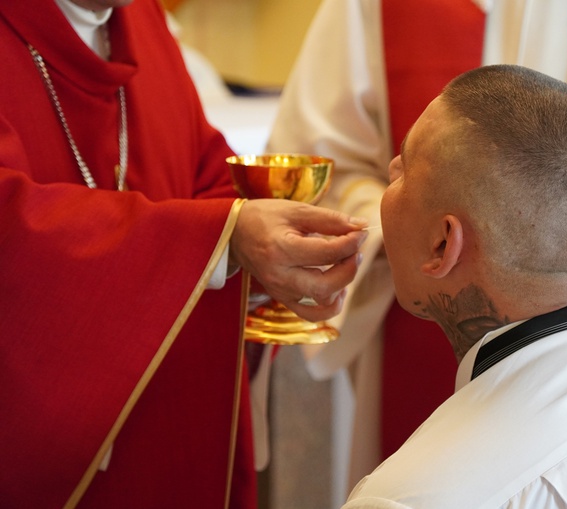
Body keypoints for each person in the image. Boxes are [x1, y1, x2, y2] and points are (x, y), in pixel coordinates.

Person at [266, 0, 567, 493]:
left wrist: (536, 225)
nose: (396, 172)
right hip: (414, 350)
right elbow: (325, 156)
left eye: (405, 164)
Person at [0, 0, 368, 508]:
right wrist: (222, 239)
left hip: (168, 436)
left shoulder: (140, 20)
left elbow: (205, 174)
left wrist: (270, 265)